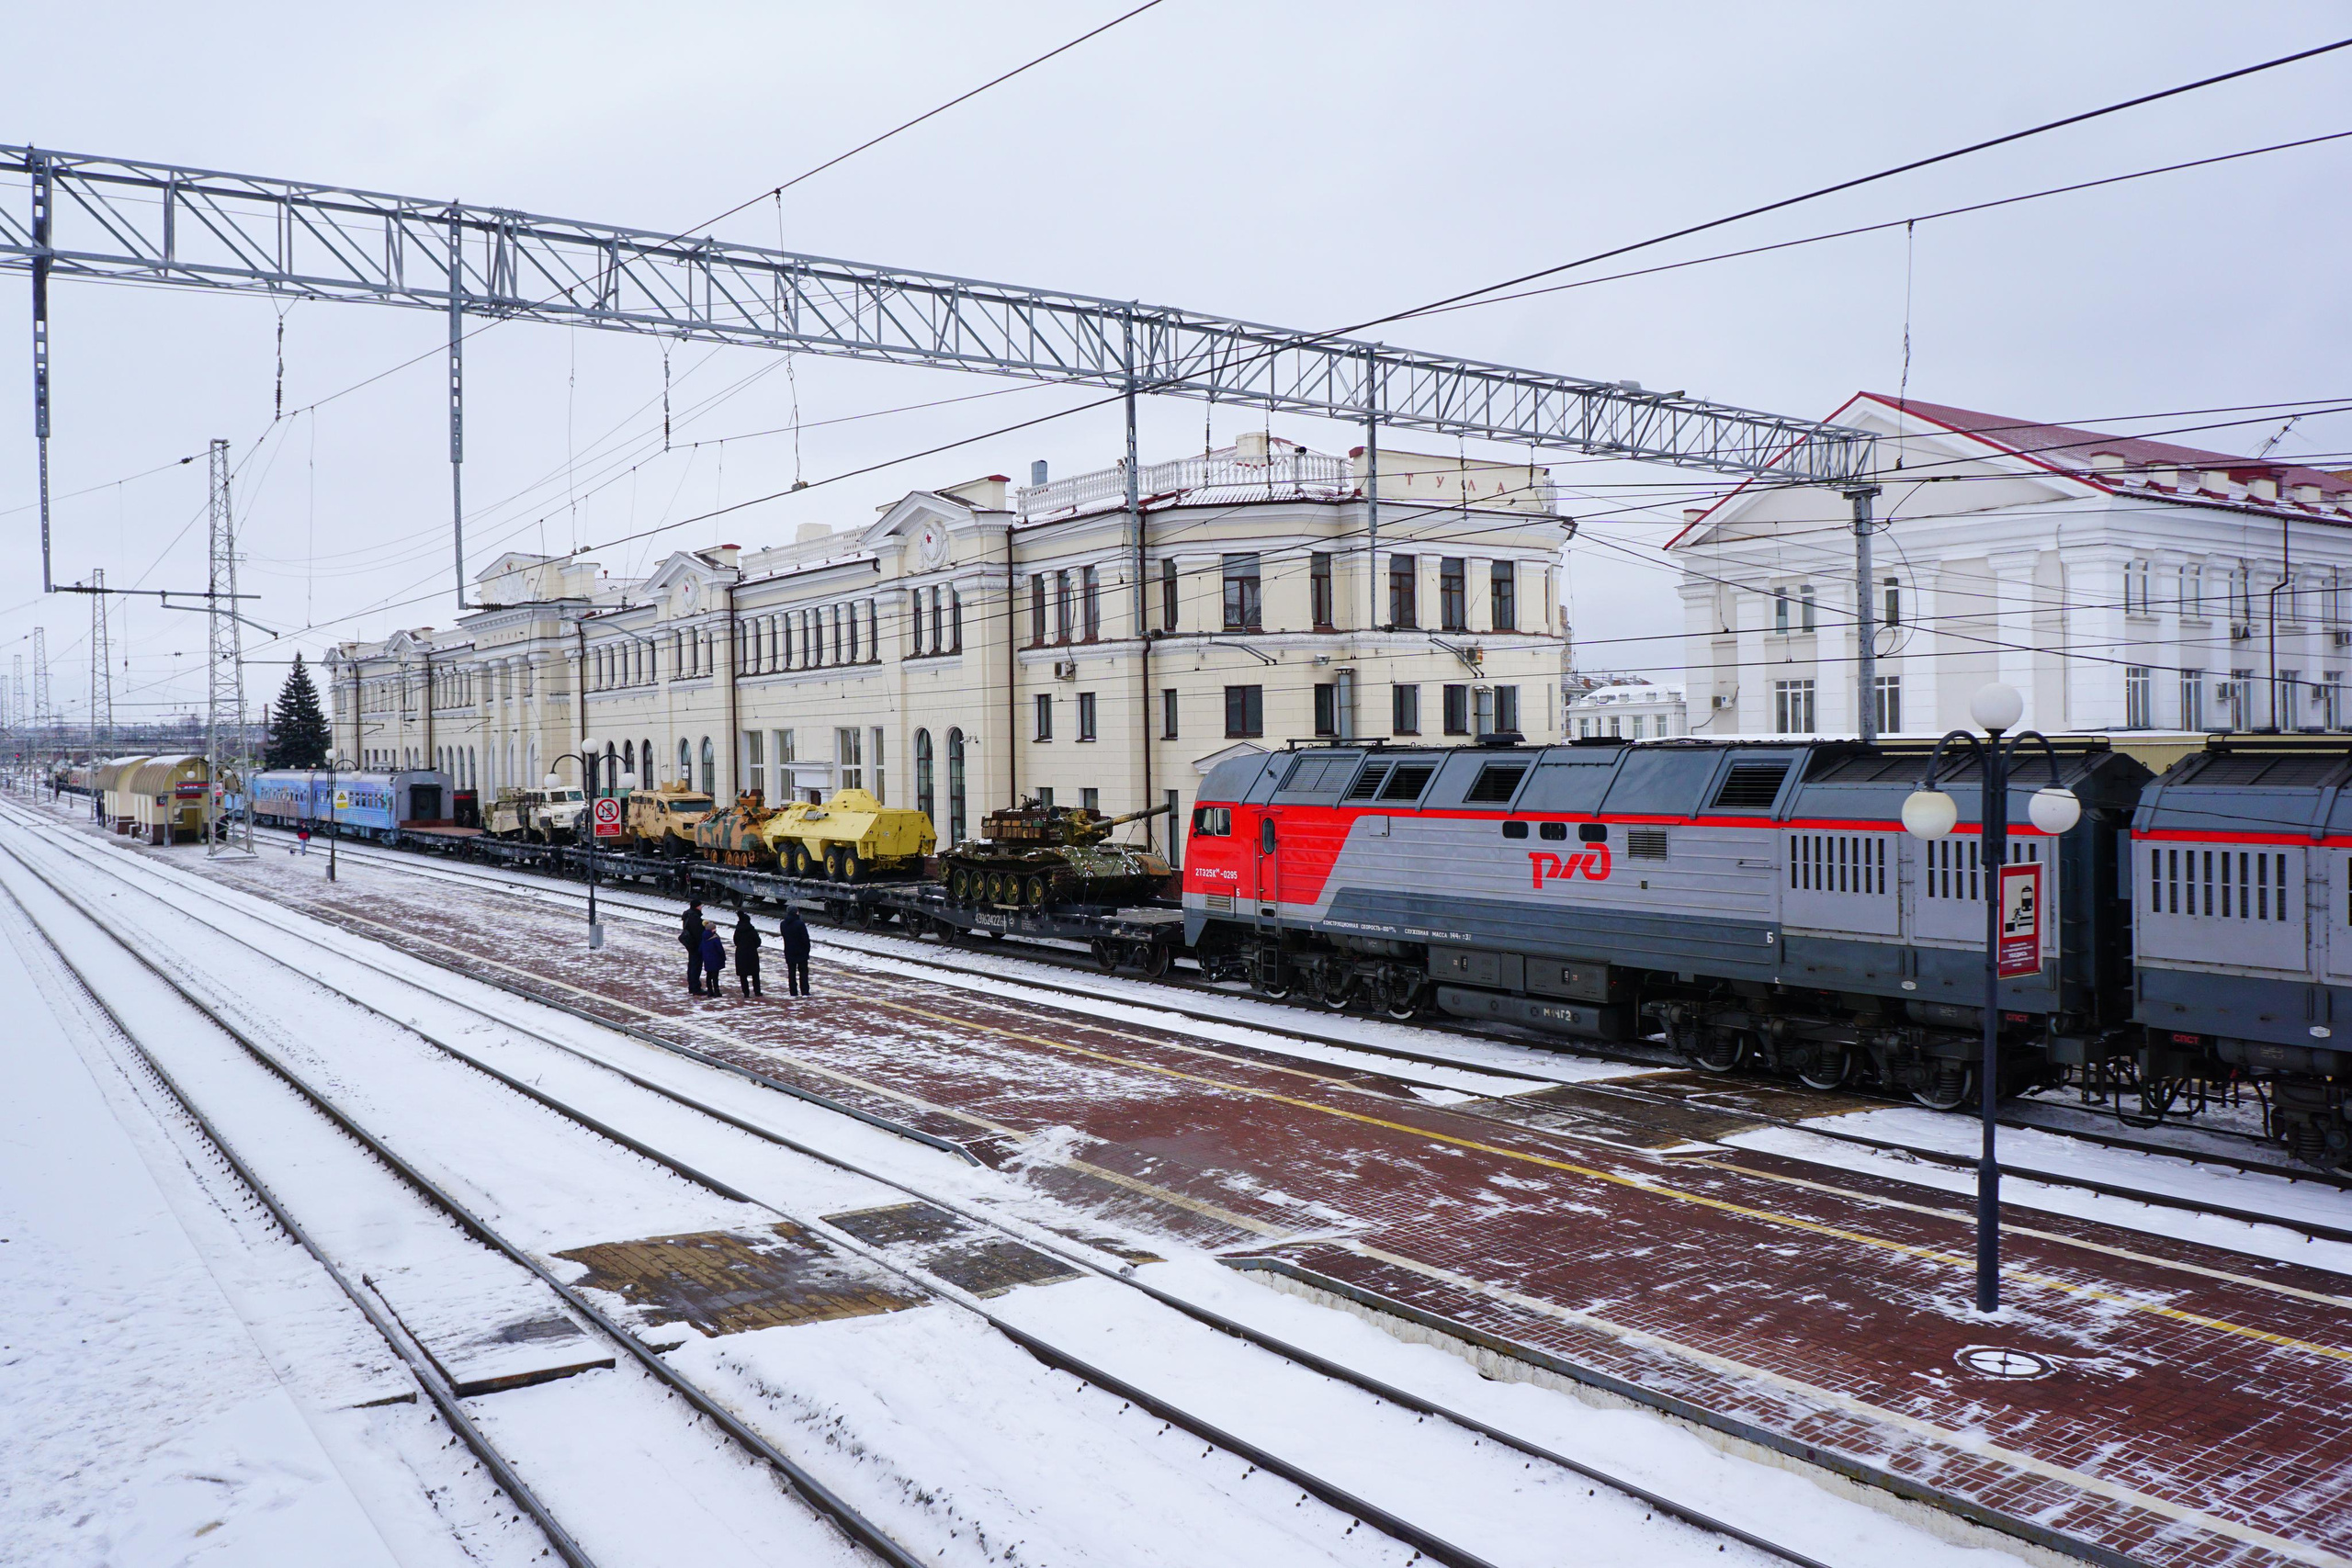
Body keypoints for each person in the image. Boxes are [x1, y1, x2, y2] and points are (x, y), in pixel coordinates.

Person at [779, 906, 811, 997]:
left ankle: (793, 992)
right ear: (795, 912)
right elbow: (805, 939)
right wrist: (807, 950)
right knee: (803, 972)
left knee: (791, 972)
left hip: (789, 951)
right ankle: (805, 991)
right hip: (801, 952)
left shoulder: (783, 924)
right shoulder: (800, 924)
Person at [733, 911, 763, 998]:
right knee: (755, 974)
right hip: (752, 953)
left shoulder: (737, 930)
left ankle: (746, 993)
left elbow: (736, 941)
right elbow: (758, 942)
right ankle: (757, 992)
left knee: (743, 975)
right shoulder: (752, 930)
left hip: (740, 954)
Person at [680, 900, 706, 995]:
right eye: (700, 906)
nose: (701, 907)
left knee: (692, 965)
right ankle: (695, 988)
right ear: (697, 907)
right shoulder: (694, 917)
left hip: (691, 944)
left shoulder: (688, 915)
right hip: (696, 946)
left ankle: (692, 986)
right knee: (695, 966)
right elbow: (698, 934)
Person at [697, 920, 727, 998]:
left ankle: (710, 991)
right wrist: (723, 957)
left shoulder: (703, 937)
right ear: (712, 930)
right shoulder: (715, 938)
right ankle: (717, 992)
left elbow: (700, 950)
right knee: (715, 977)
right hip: (716, 960)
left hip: (707, 960)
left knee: (709, 975)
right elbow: (720, 949)